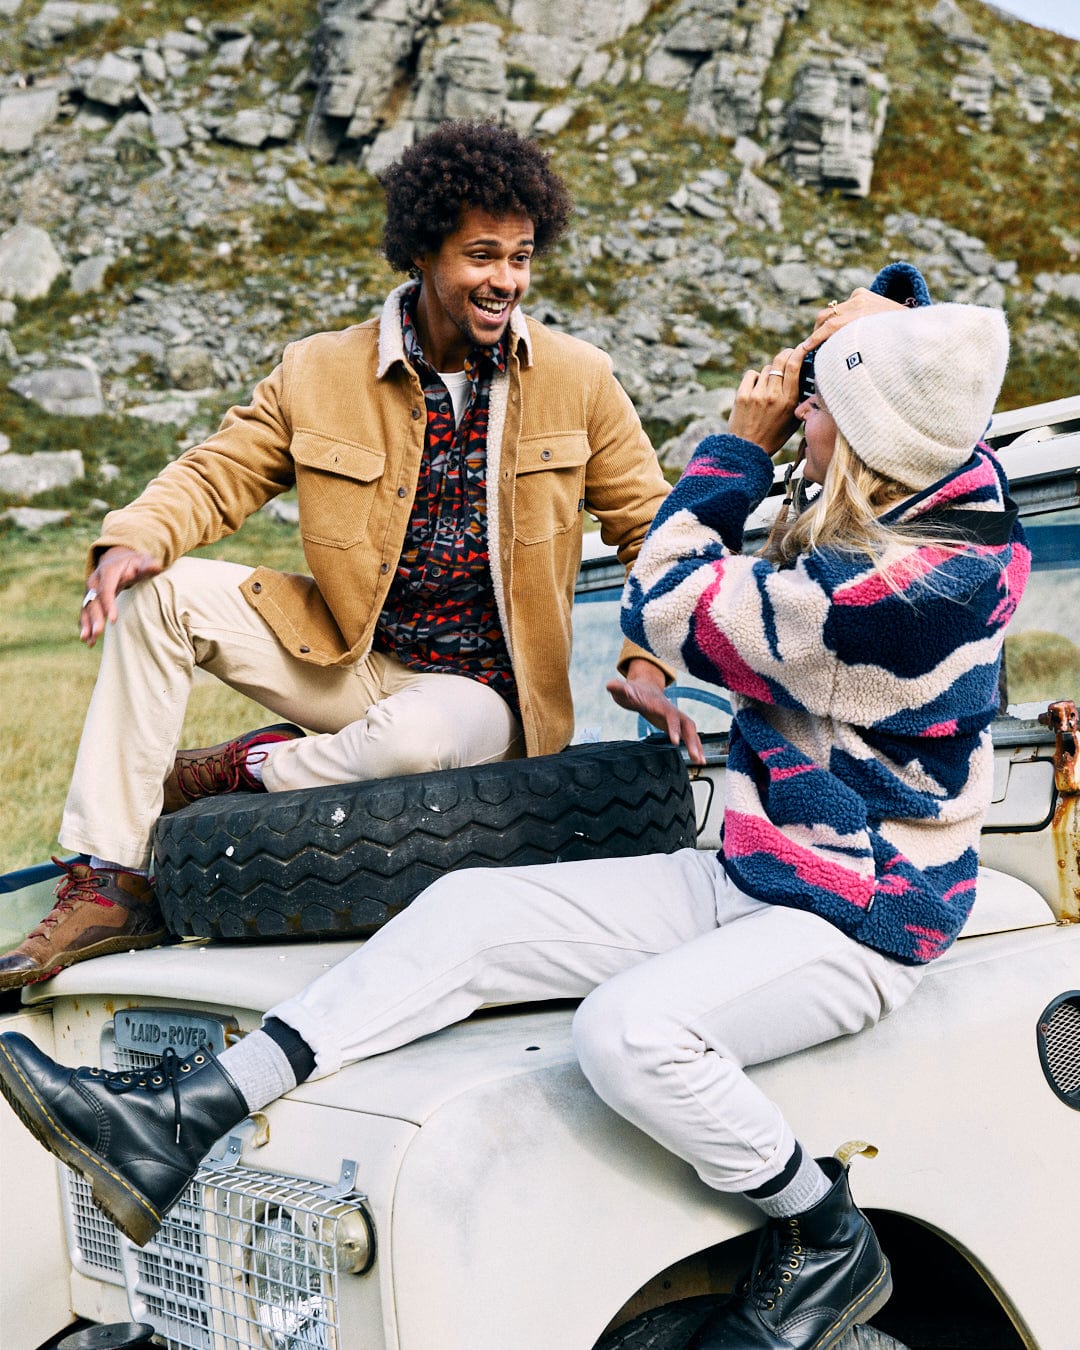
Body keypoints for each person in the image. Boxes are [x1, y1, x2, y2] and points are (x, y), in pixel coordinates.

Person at [0, 299, 1029, 1350]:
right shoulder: (953, 478)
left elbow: (663, 601)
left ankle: (822, 1228)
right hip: (773, 869)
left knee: (632, 1035)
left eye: (824, 409)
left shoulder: (894, 597)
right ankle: (183, 1121)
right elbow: (931, 383)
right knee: (474, 911)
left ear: (867, 445)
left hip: (861, 915)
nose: (801, 413)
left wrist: (741, 442)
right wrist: (867, 328)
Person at [0, 120, 700, 993]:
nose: (506, 281)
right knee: (162, 594)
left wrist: (648, 661)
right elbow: (218, 471)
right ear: (422, 251)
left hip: (484, 698)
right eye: (483, 256)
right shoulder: (315, 371)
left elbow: (657, 536)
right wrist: (136, 539)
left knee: (415, 740)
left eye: (521, 258)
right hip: (344, 657)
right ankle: (110, 879)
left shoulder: (580, 378)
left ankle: (242, 768)